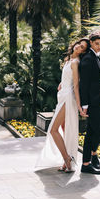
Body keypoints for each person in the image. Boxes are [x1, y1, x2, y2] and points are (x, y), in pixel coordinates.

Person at [36, 38, 90, 172]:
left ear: (83, 52)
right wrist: (62, 83)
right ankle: (67, 159)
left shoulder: (75, 63)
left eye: (82, 48)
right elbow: (68, 79)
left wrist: (79, 105)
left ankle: (67, 158)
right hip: (62, 96)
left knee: (53, 129)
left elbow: (76, 85)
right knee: (64, 128)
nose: (79, 47)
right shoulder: (68, 60)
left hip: (68, 97)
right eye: (79, 44)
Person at [79, 31, 100, 175]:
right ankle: (93, 154)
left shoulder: (95, 57)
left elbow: (97, 79)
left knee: (90, 133)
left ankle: (86, 164)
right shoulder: (88, 59)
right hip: (91, 103)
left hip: (96, 100)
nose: (99, 47)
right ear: (91, 42)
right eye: (97, 44)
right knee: (99, 131)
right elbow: (84, 84)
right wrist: (84, 105)